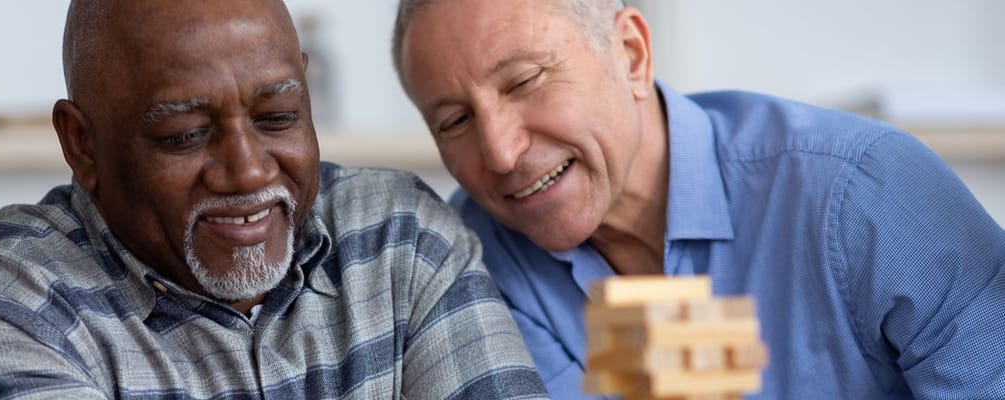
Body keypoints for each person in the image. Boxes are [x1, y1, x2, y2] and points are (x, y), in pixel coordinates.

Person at [0, 0, 548, 398]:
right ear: (83, 145)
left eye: (277, 116)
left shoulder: (400, 237)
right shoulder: (0, 309)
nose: (245, 171)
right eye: (183, 135)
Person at [392, 0, 1005, 398]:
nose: (499, 151)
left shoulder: (865, 191)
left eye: (524, 82)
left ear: (631, 55)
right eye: (453, 122)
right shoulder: (473, 263)